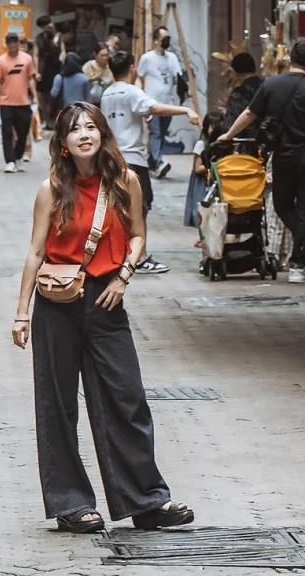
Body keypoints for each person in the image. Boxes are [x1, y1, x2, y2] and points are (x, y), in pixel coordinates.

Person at [12, 102, 194, 534]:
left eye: (91, 127)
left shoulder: (124, 180)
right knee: (56, 405)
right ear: (62, 144)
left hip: (107, 300)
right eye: (75, 130)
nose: (84, 135)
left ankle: (145, 501)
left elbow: (137, 237)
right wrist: (22, 314)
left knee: (126, 399)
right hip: (57, 303)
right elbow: (36, 252)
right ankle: (71, 503)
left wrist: (123, 278)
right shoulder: (52, 188)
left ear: (103, 134)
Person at [225, 38, 305, 283]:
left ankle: (304, 245)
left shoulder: (271, 84)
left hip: (283, 157)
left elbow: (250, 113)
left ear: (290, 59)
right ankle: (298, 265)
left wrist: (228, 134)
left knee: (282, 205)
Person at [101, 50, 201, 274]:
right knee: (140, 208)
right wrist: (186, 110)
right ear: (132, 69)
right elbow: (155, 107)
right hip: (133, 160)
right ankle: (141, 257)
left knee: (120, 207)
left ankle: (120, 254)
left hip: (112, 158)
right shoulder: (131, 91)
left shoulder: (108, 94)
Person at [136, 28, 184, 179]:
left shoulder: (172, 58)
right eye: (164, 38)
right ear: (156, 40)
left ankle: (151, 162)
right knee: (155, 132)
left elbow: (178, 77)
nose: (167, 41)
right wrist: (139, 97)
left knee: (162, 133)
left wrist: (184, 88)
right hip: (152, 102)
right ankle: (159, 162)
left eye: (168, 38)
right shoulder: (147, 58)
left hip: (168, 102)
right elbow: (139, 78)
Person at [0, 29, 37, 172]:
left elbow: (31, 78)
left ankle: (18, 156)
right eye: (10, 43)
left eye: (15, 43)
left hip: (23, 102)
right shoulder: (1, 61)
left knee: (23, 132)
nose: (13, 46)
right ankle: (9, 161)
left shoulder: (27, 59)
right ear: (7, 44)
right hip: (6, 102)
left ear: (18, 44)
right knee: (7, 133)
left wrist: (35, 96)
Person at [186, 111, 225, 231]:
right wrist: (215, 164)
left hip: (216, 182)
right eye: (212, 126)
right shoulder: (201, 144)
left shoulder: (223, 143)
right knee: (202, 213)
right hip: (203, 183)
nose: (214, 129)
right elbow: (197, 168)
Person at [35, 15, 62, 126]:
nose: (45, 28)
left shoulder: (58, 37)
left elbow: (63, 52)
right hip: (44, 68)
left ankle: (54, 118)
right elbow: (36, 55)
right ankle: (45, 119)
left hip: (56, 68)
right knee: (43, 96)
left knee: (55, 96)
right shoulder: (39, 38)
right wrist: (36, 71)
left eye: (46, 25)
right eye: (43, 27)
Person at [224, 52, 262, 127]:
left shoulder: (238, 93)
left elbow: (231, 121)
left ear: (235, 72)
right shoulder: (267, 88)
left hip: (244, 137)